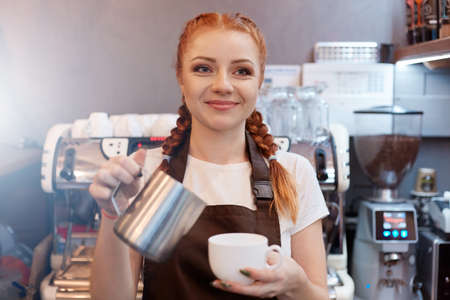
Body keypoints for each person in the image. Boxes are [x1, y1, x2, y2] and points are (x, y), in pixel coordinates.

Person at [89, 12, 329, 300]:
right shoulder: (149, 173)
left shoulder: (292, 173)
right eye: (203, 68)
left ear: (260, 81)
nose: (223, 85)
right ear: (180, 77)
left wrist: (297, 285)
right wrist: (111, 213)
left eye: (241, 71)